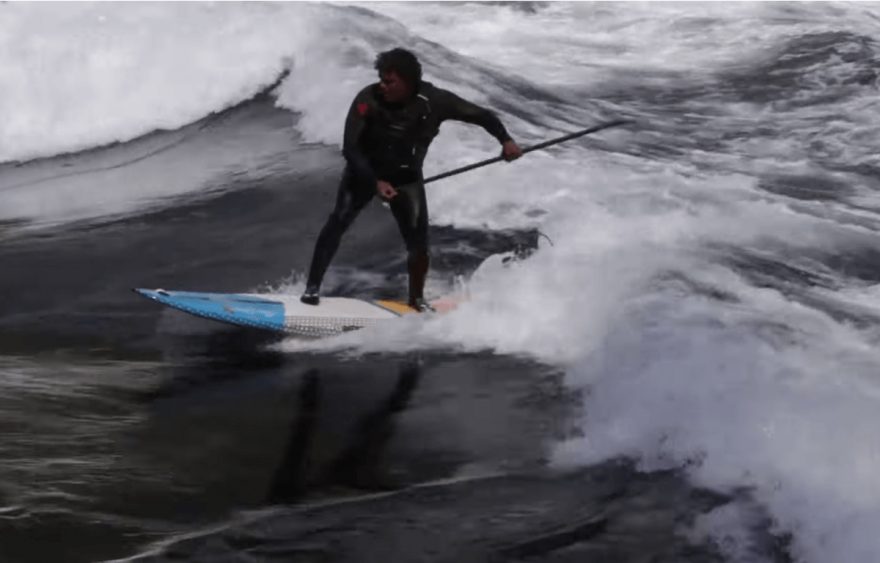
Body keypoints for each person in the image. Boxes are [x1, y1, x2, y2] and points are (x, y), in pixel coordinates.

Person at [300, 48, 523, 311]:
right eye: (381, 79)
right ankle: (312, 288)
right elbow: (351, 148)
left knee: (418, 245)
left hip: (406, 180)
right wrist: (375, 183)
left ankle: (416, 301)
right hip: (363, 174)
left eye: (389, 81)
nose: (382, 86)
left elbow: (482, 115)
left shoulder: (436, 101)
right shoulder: (367, 99)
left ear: (408, 81)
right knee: (337, 222)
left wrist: (506, 140)